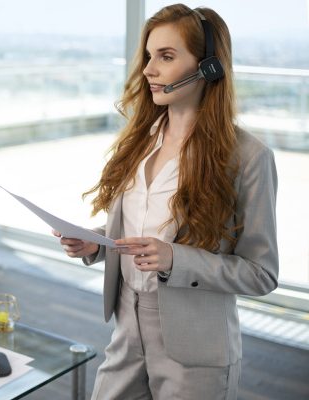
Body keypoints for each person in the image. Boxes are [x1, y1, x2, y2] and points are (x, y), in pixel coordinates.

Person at [53, 4, 278, 399]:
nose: (148, 70)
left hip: (195, 349)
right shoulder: (139, 140)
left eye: (166, 57)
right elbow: (143, 232)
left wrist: (176, 259)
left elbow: (261, 274)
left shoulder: (249, 157)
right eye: (148, 56)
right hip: (127, 328)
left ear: (209, 67)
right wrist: (96, 241)